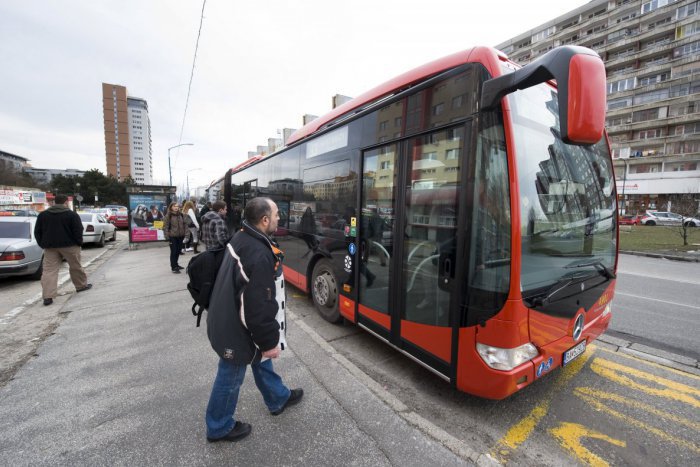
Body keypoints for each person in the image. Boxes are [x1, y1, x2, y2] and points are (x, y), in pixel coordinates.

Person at [205, 197, 303, 443]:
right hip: (235, 327)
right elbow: (258, 309)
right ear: (264, 220)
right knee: (231, 374)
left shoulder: (243, 236)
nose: (280, 218)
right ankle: (218, 426)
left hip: (226, 315)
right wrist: (270, 342)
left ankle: (277, 397)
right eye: (277, 214)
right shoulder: (258, 253)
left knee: (259, 359)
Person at [34, 194, 92, 306]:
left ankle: (48, 297)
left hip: (50, 247)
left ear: (54, 202)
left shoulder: (43, 215)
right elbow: (78, 230)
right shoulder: (71, 215)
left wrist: (42, 244)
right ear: (65, 202)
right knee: (75, 266)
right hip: (70, 245)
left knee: (49, 271)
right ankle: (81, 286)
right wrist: (79, 243)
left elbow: (37, 231)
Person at [163, 202, 187, 273]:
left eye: (177, 206)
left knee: (178, 251)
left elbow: (185, 225)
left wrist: (186, 235)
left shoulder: (181, 215)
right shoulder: (168, 216)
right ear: (171, 207)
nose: (176, 207)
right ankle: (173, 267)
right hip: (172, 236)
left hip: (180, 236)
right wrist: (167, 236)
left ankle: (176, 264)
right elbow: (165, 227)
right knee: (174, 251)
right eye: (174, 206)